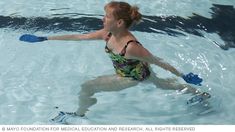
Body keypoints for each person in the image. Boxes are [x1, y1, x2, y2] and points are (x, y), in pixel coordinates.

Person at [19, 1, 209, 118]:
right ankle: (200, 95)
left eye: (107, 16)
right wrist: (45, 38)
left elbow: (158, 60)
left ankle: (79, 115)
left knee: (88, 87)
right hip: (138, 71)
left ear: (119, 22)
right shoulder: (107, 34)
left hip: (131, 77)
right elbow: (79, 37)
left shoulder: (131, 47)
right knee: (161, 84)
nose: (103, 18)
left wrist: (184, 75)